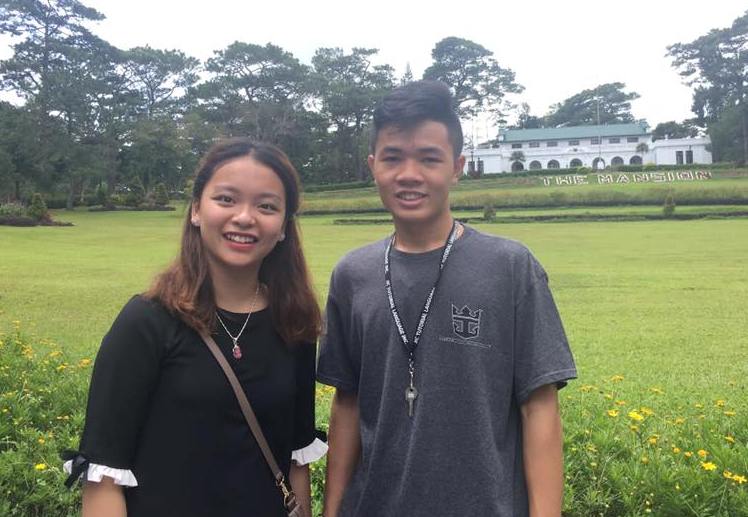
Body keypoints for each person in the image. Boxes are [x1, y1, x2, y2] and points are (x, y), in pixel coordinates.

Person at [317, 81, 577, 517]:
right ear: (373, 166)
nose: (409, 174)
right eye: (393, 158)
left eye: (429, 158)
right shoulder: (352, 274)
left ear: (457, 167)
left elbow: (540, 406)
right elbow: (347, 404)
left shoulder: (510, 267)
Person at [63, 138, 326, 516]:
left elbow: (296, 461)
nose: (245, 217)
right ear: (197, 210)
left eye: (266, 206)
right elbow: (104, 478)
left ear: (284, 226)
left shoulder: (293, 323)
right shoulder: (147, 322)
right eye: (226, 199)